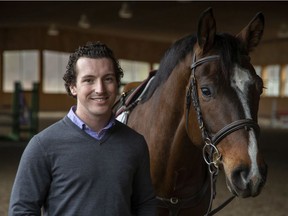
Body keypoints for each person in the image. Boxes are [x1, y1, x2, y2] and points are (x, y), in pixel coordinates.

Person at [9, 41, 156, 216]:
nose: (100, 89)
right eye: (89, 80)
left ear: (117, 84)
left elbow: (145, 204)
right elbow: (22, 210)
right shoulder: (43, 145)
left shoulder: (135, 143)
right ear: (73, 87)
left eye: (108, 79)